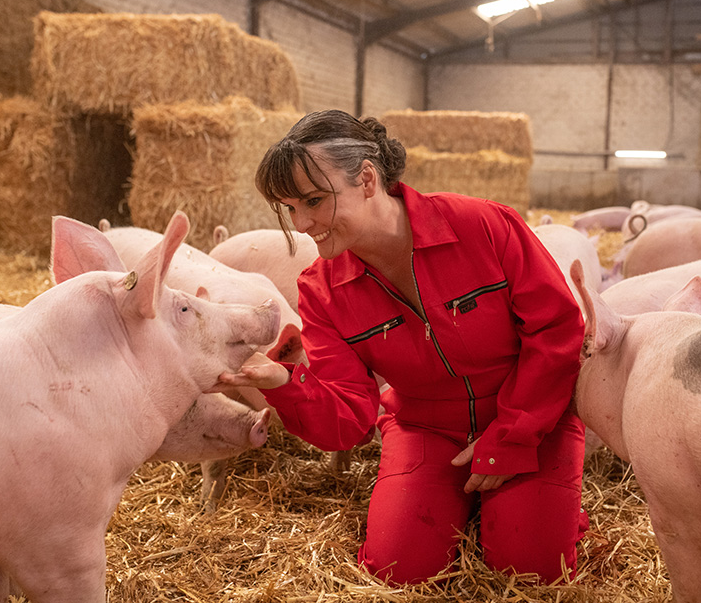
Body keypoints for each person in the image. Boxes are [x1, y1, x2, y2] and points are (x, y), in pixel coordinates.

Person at [216, 109, 587, 585]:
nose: (303, 223)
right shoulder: (323, 289)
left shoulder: (483, 226)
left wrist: (512, 436)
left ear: (367, 179)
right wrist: (285, 383)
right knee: (397, 572)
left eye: (313, 200)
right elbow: (349, 416)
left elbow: (556, 330)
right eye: (290, 208)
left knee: (531, 574)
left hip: (532, 418)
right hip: (427, 427)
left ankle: (543, 514)